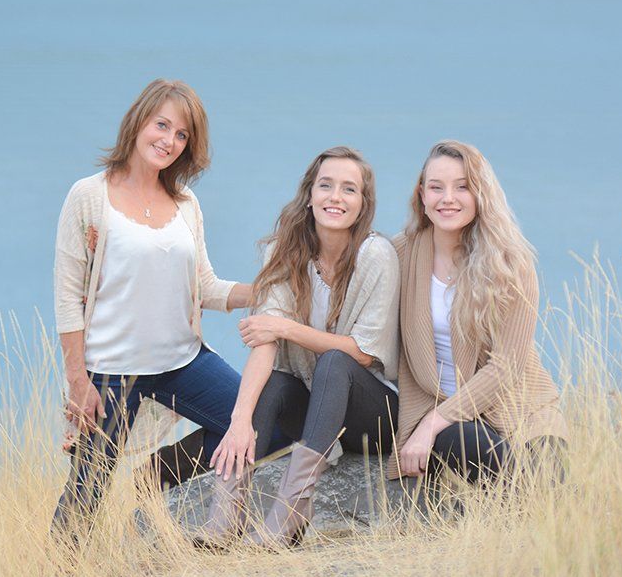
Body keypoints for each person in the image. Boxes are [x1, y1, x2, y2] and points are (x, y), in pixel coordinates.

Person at [50, 78, 251, 543]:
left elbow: (205, 287)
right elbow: (66, 297)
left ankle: (157, 474)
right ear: (138, 121)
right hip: (110, 372)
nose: (169, 141)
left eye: (182, 135)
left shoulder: (185, 203)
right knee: (86, 491)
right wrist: (79, 382)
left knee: (256, 425)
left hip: (183, 362)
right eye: (162, 125)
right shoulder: (89, 196)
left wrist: (267, 289)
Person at [204, 146, 400, 547]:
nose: (335, 197)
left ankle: (293, 510)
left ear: (363, 205)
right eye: (325, 185)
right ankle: (227, 513)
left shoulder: (376, 255)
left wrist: (286, 328)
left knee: (334, 360)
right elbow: (265, 340)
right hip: (319, 413)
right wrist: (240, 421)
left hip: (374, 416)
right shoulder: (285, 251)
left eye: (349, 189)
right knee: (274, 381)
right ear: (309, 194)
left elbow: (362, 353)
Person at [388, 140, 567, 493]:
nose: (447, 198)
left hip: (520, 407)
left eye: (462, 186)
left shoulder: (511, 263)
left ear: (481, 193)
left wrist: (430, 426)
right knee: (464, 442)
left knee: (548, 486)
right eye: (436, 187)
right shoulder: (401, 253)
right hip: (449, 418)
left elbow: (507, 367)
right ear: (421, 195)